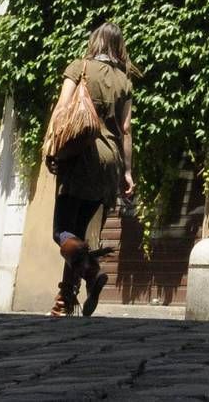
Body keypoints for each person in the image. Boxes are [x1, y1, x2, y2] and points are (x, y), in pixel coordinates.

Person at [44, 23, 134, 318]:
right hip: (110, 163)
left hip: (80, 156)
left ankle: (92, 274)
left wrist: (51, 146)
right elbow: (126, 130)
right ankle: (64, 302)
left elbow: (62, 108)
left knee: (62, 232)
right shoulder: (124, 81)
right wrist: (128, 172)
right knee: (79, 237)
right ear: (119, 46)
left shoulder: (79, 67)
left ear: (95, 42)